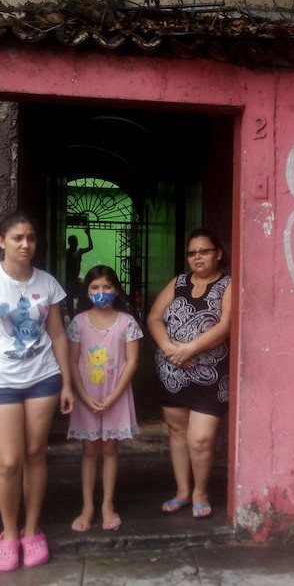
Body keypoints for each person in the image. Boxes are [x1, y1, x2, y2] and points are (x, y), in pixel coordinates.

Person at [0, 211, 74, 572]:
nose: (26, 244)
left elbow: (59, 334)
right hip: (0, 383)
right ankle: (9, 534)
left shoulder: (48, 282)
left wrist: (67, 384)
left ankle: (31, 529)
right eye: (17, 238)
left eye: (31, 238)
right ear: (1, 241)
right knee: (9, 461)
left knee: (34, 453)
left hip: (43, 378)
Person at [147, 228, 232, 520]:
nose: (197, 257)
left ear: (218, 253)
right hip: (172, 372)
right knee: (177, 433)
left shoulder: (228, 284)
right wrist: (169, 348)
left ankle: (200, 492)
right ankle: (183, 491)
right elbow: (154, 317)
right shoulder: (179, 282)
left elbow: (225, 326)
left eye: (204, 251)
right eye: (192, 252)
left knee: (201, 438)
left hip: (211, 376)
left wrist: (189, 349)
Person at [66, 265, 143, 532]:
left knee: (110, 449)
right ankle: (87, 506)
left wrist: (114, 396)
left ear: (117, 290)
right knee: (89, 450)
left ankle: (107, 504)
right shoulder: (77, 323)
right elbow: (73, 361)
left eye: (107, 287)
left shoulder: (127, 323)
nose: (101, 293)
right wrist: (84, 396)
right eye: (95, 288)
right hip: (86, 394)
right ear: (86, 292)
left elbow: (132, 362)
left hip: (116, 394)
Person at [65, 227, 94, 319]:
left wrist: (88, 235)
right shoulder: (67, 253)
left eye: (76, 241)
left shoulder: (79, 251)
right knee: (69, 299)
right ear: (70, 242)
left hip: (75, 279)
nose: (76, 243)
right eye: (74, 241)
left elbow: (90, 247)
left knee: (82, 296)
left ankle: (78, 316)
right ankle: (71, 318)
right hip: (69, 280)